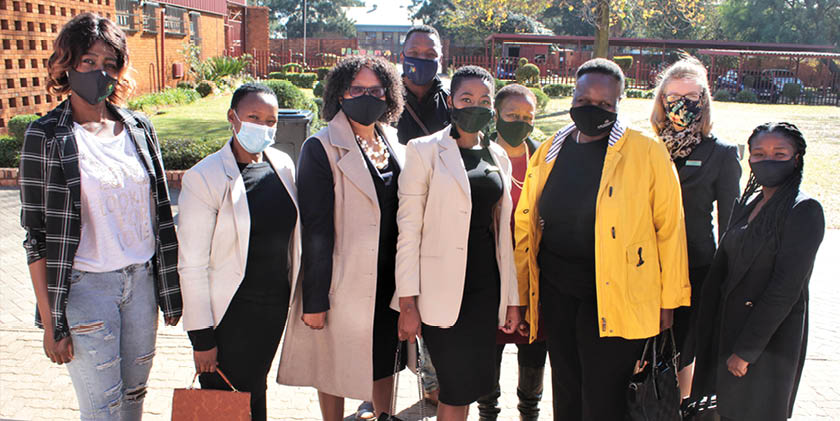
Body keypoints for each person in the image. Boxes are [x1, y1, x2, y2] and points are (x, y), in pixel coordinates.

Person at [18, 13, 181, 420]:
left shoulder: (139, 128)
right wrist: (53, 322)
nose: (99, 72)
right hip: (86, 289)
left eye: (109, 63)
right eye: (88, 61)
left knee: (133, 400)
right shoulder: (46, 135)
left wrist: (169, 287)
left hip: (140, 285)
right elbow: (36, 236)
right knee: (102, 410)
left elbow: (160, 213)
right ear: (67, 64)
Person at [514, 58, 690, 420]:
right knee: (566, 384)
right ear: (573, 98)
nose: (592, 109)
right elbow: (528, 222)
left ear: (619, 104)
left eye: (604, 104)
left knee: (603, 394)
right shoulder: (549, 150)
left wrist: (668, 303)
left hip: (618, 291)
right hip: (558, 289)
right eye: (583, 101)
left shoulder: (647, 151)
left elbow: (670, 229)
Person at [276, 56, 406, 421]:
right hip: (341, 279)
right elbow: (315, 229)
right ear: (340, 94)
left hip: (389, 278)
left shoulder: (393, 141)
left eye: (376, 90)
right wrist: (315, 301)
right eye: (357, 89)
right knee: (332, 364)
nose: (367, 96)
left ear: (389, 94)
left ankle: (384, 416)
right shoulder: (320, 148)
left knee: (385, 360)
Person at [395, 65, 522, 421]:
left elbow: (503, 235)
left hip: (484, 288)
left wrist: (511, 299)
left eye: (483, 100)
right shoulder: (424, 151)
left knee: (468, 385)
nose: (474, 105)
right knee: (452, 385)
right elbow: (408, 229)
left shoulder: (497, 156)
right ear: (451, 100)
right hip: (439, 291)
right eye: (466, 98)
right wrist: (407, 301)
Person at [177, 83, 300, 421]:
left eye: (271, 120)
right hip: (230, 317)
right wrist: (201, 338)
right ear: (233, 117)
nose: (263, 126)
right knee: (226, 405)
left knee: (253, 393)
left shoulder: (283, 164)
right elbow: (191, 265)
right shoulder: (205, 177)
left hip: (272, 310)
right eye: (253, 117)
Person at [691, 122, 824, 421]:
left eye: (780, 153)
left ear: (797, 158)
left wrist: (746, 351)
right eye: (759, 153)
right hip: (729, 333)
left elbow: (785, 289)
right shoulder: (750, 202)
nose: (768, 160)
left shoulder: (804, 210)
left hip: (766, 345)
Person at [649, 56, 742, 399]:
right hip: (645, 267)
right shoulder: (646, 149)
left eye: (690, 97)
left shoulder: (722, 153)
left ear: (703, 101)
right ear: (661, 100)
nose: (681, 105)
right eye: (673, 97)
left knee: (682, 354)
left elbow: (733, 222)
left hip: (695, 268)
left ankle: (679, 410)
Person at [477, 84, 546, 421]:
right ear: (496, 117)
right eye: (512, 116)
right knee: (488, 355)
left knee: (533, 357)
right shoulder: (479, 159)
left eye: (527, 117)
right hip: (492, 281)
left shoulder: (545, 161)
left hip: (534, 281)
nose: (520, 122)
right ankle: (487, 412)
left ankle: (528, 414)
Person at [395, 24, 450, 145]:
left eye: (430, 54)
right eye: (414, 53)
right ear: (402, 57)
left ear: (440, 59)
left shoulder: (452, 103)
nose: (422, 59)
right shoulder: (385, 100)